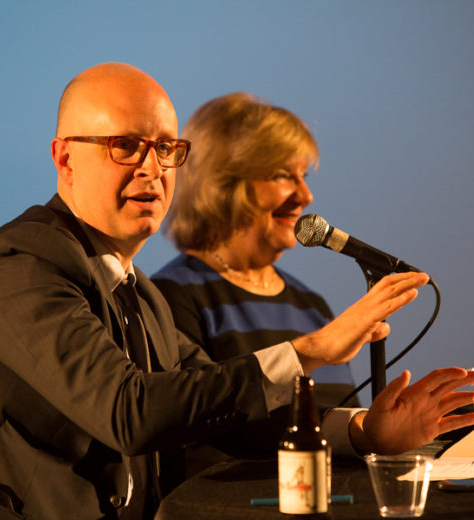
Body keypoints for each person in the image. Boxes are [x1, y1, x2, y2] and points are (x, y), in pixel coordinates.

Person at [0, 63, 474, 520]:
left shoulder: (140, 293)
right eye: (125, 146)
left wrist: (364, 432)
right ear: (64, 159)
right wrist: (311, 350)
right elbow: (128, 411)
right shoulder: (19, 261)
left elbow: (221, 412)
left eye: (166, 149)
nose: (152, 168)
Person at [153, 92, 357, 410]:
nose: (306, 196)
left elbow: (342, 419)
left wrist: (383, 427)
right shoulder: (172, 298)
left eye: (303, 176)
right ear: (223, 185)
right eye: (282, 176)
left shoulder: (311, 306)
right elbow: (198, 419)